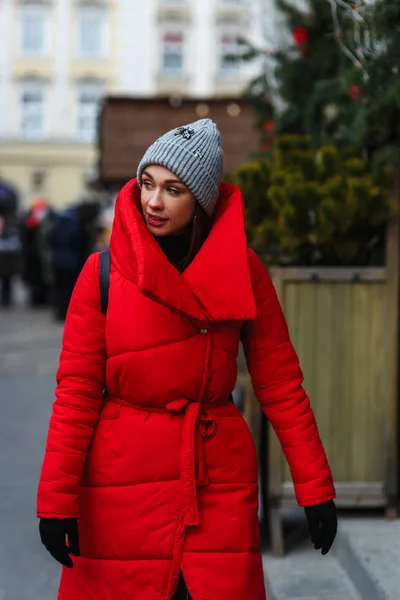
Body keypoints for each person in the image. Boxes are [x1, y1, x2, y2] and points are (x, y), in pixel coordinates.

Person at [37, 119, 337, 600]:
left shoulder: (245, 270)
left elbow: (281, 384)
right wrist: (55, 500)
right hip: (121, 478)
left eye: (173, 189)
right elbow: (75, 391)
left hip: (215, 473)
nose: (153, 201)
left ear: (201, 200)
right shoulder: (102, 274)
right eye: (147, 184)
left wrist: (315, 489)